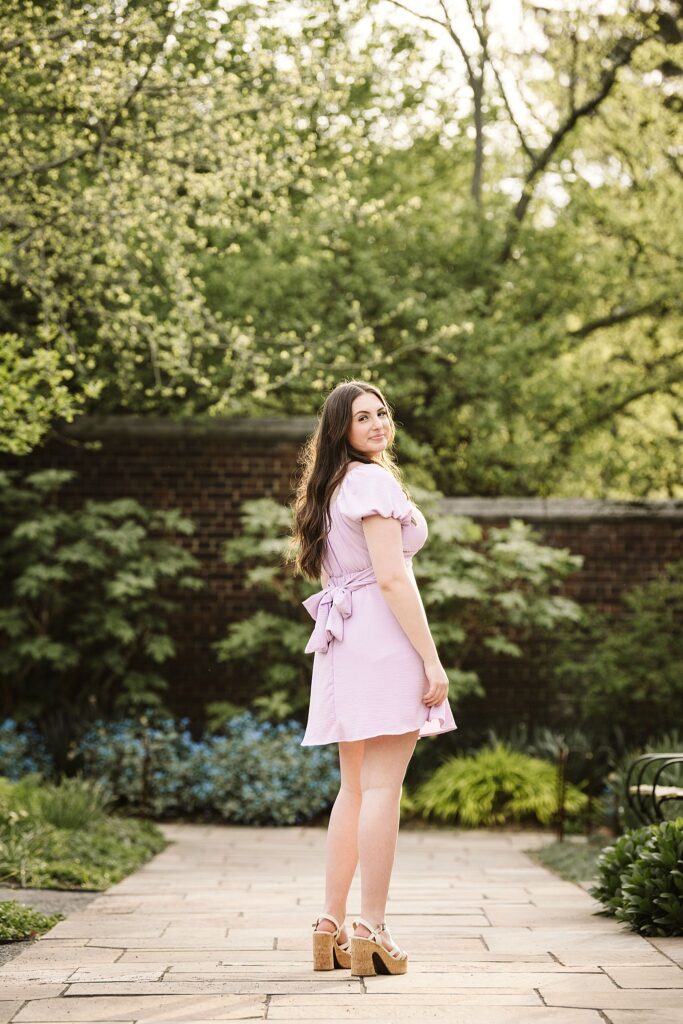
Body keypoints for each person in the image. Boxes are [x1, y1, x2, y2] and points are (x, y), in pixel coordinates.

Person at [289, 379, 458, 977]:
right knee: (382, 789)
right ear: (342, 430)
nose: (379, 423)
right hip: (381, 639)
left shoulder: (331, 486)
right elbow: (392, 578)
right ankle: (373, 931)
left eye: (383, 412)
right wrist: (431, 660)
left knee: (354, 789)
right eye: (363, 417)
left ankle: (330, 926)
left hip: (343, 642)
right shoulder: (371, 481)